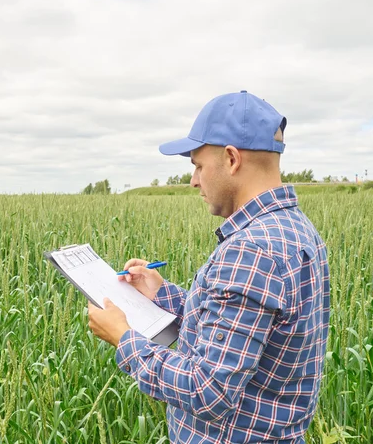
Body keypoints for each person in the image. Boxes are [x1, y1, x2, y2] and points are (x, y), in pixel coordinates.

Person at [88, 90, 330, 444]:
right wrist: (160, 292)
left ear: (231, 159)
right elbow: (240, 337)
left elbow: (209, 390)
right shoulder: (296, 229)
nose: (194, 181)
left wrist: (124, 339)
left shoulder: (251, 250)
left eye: (198, 166)